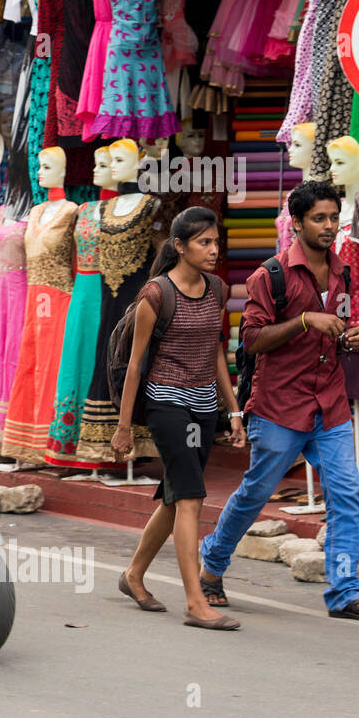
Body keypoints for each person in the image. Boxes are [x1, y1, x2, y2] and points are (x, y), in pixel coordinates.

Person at [197, 182, 359, 623]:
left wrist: (348, 336)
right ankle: (212, 562)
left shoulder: (343, 272)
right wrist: (304, 319)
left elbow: (333, 333)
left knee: (346, 498)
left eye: (332, 217)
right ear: (298, 223)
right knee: (255, 493)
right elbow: (250, 340)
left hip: (331, 405)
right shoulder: (270, 275)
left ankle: (344, 593)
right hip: (280, 405)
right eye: (318, 218)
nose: (328, 226)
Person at [113, 207, 245, 630]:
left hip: (205, 405)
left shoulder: (218, 290)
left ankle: (133, 575)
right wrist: (122, 426)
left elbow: (217, 353)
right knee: (190, 496)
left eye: (216, 242)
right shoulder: (156, 295)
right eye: (204, 242)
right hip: (167, 403)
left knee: (175, 495)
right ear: (179, 246)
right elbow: (135, 366)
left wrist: (235, 410)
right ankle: (195, 602)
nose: (213, 250)